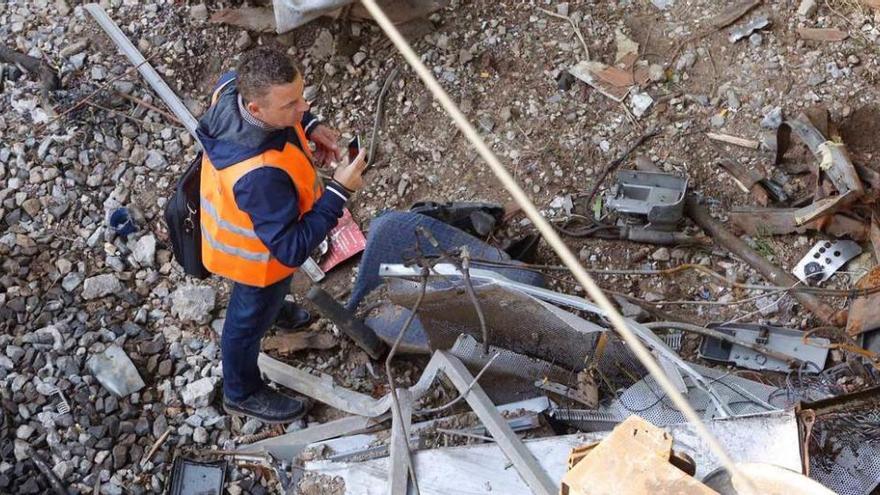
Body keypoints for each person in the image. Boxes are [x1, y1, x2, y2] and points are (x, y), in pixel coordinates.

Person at [196, 47, 367, 423]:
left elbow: (232, 77)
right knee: (245, 323)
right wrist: (340, 192)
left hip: (258, 230)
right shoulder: (260, 176)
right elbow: (290, 249)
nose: (302, 106)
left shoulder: (232, 90)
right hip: (255, 261)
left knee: (268, 303)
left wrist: (308, 126)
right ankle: (240, 392)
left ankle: (277, 314)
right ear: (256, 110)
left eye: (301, 96)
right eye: (291, 104)